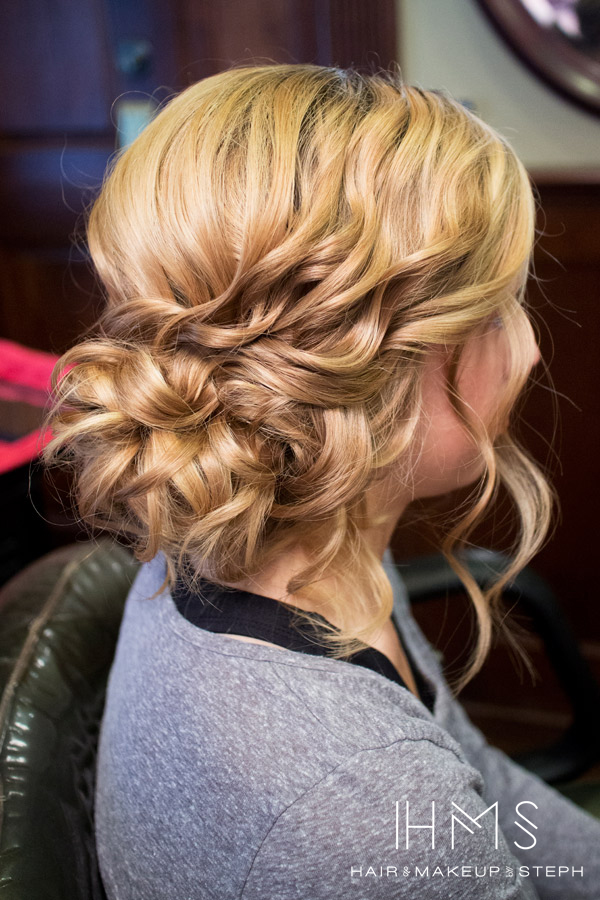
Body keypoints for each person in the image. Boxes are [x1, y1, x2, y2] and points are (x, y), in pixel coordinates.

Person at [44, 63, 600, 899]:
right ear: (373, 371)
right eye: (498, 308)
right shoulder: (363, 821)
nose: (525, 351)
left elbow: (471, 783)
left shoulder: (285, 534)